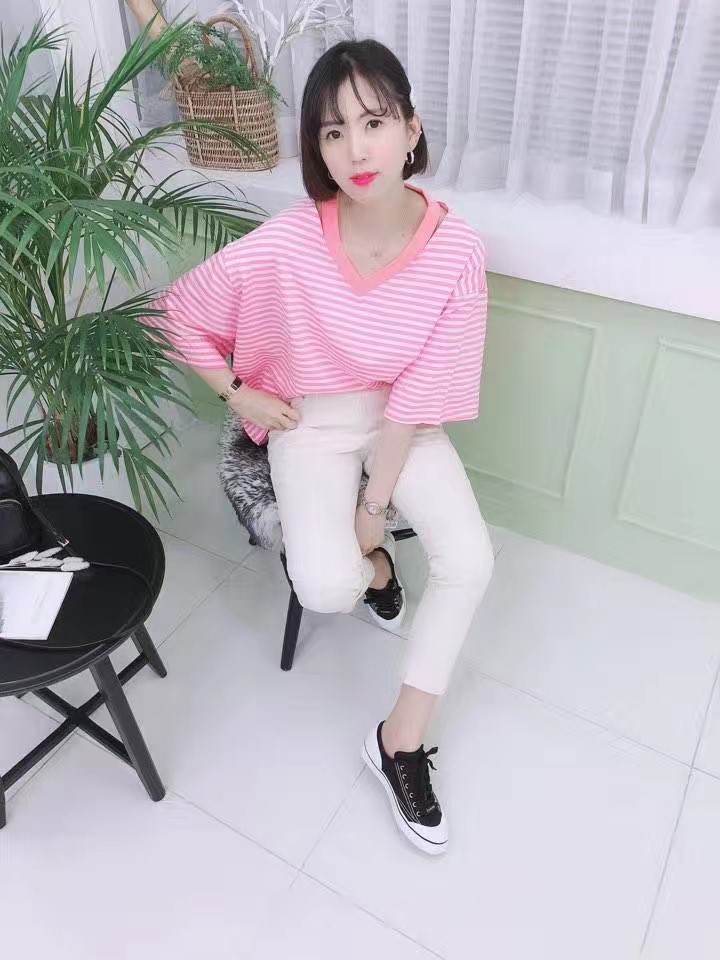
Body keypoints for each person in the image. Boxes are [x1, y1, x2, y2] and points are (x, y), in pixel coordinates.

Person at [148, 38, 495, 856]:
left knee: (471, 561)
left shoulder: (458, 251)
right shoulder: (289, 240)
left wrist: (374, 505)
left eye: (374, 122)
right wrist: (239, 391)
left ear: (412, 129)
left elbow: (421, 393)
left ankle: (398, 742)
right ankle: (378, 577)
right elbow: (178, 311)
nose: (356, 150)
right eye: (333, 132)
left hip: (405, 422)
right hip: (308, 422)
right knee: (328, 586)